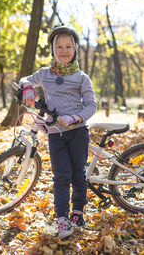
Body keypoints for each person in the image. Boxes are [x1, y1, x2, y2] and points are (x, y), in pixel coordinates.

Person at [19, 23, 97, 239]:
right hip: (56, 134)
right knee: (61, 176)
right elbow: (26, 79)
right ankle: (62, 219)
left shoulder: (82, 77)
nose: (64, 51)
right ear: (52, 49)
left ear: (75, 50)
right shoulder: (45, 74)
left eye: (69, 47)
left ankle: (78, 212)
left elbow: (92, 105)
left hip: (78, 131)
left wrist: (76, 117)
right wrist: (27, 88)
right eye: (59, 47)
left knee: (78, 174)